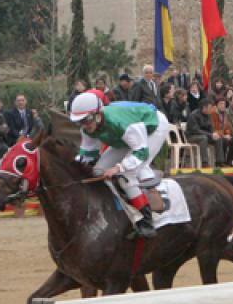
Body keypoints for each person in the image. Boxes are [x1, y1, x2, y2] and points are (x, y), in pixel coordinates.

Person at [69, 93, 169, 238]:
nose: (84, 125)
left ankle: (146, 221)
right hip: (125, 136)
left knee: (126, 174)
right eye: (79, 122)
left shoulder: (119, 122)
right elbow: (87, 155)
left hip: (153, 126)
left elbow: (140, 151)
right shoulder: (87, 129)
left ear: (98, 115)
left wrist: (118, 168)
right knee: (98, 172)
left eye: (87, 120)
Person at [187, 99, 224, 167]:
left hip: (205, 135)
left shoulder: (208, 115)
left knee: (218, 138)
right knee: (203, 138)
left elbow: (211, 128)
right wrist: (210, 135)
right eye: (210, 108)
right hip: (192, 136)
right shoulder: (193, 115)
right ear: (204, 108)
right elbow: (196, 130)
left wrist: (214, 134)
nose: (211, 109)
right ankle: (205, 163)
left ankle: (219, 162)